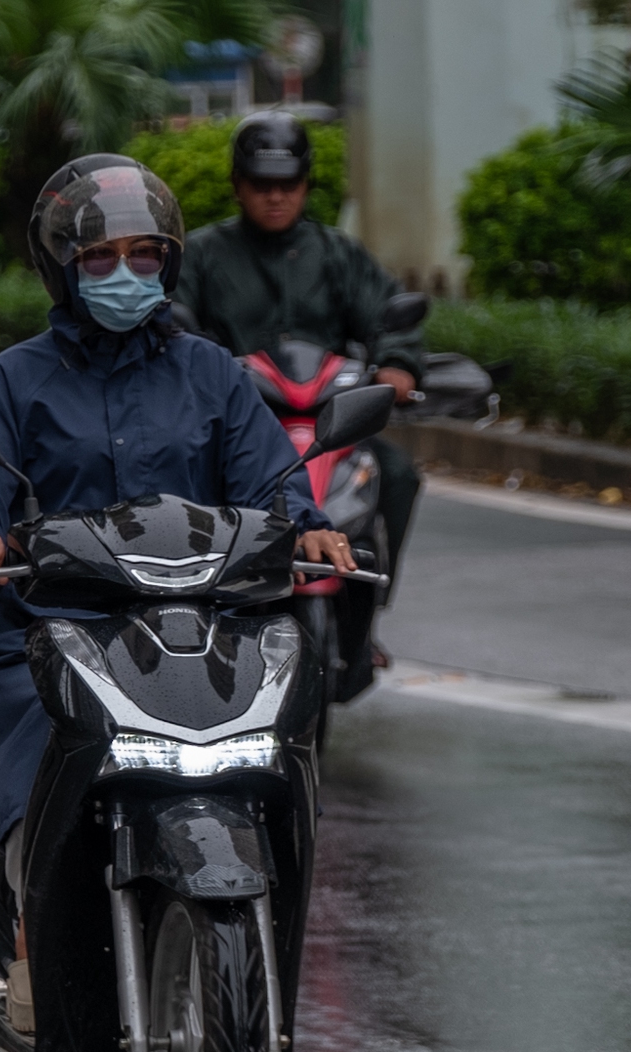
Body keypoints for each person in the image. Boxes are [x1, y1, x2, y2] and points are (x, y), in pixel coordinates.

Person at [0, 157, 352, 990]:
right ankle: (26, 949)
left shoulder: (213, 373)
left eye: (144, 255)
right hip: (56, 636)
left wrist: (314, 529)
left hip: (205, 632)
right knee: (28, 778)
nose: (125, 274)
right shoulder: (14, 380)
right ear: (61, 267)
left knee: (276, 747)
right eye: (100, 259)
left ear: (171, 260)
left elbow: (272, 480)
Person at [174, 110, 423, 677]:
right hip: (237, 431)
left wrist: (398, 365)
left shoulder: (338, 254)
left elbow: (391, 317)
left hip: (330, 427)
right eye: (262, 185)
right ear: (238, 185)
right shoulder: (205, 255)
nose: (276, 197)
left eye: (288, 184)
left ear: (307, 184)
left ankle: (368, 605)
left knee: (399, 474)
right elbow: (175, 323)